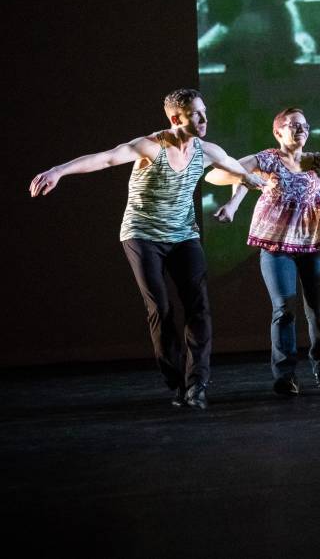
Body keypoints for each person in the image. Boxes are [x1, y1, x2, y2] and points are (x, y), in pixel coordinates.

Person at [29, 88, 265, 409]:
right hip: (142, 235)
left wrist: (246, 189)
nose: (204, 119)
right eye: (196, 114)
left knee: (198, 307)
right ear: (175, 118)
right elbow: (107, 158)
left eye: (204, 111)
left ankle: (197, 383)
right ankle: (177, 381)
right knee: (161, 308)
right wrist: (58, 171)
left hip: (183, 235)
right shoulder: (150, 146)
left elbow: (240, 171)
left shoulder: (206, 151)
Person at [212, 108, 320, 394]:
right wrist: (234, 203)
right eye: (293, 125)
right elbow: (227, 173)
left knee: (319, 313)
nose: (301, 130)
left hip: (313, 243)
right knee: (284, 309)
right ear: (278, 132)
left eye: (305, 126)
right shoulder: (269, 158)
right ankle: (285, 375)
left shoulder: (317, 161)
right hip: (276, 245)